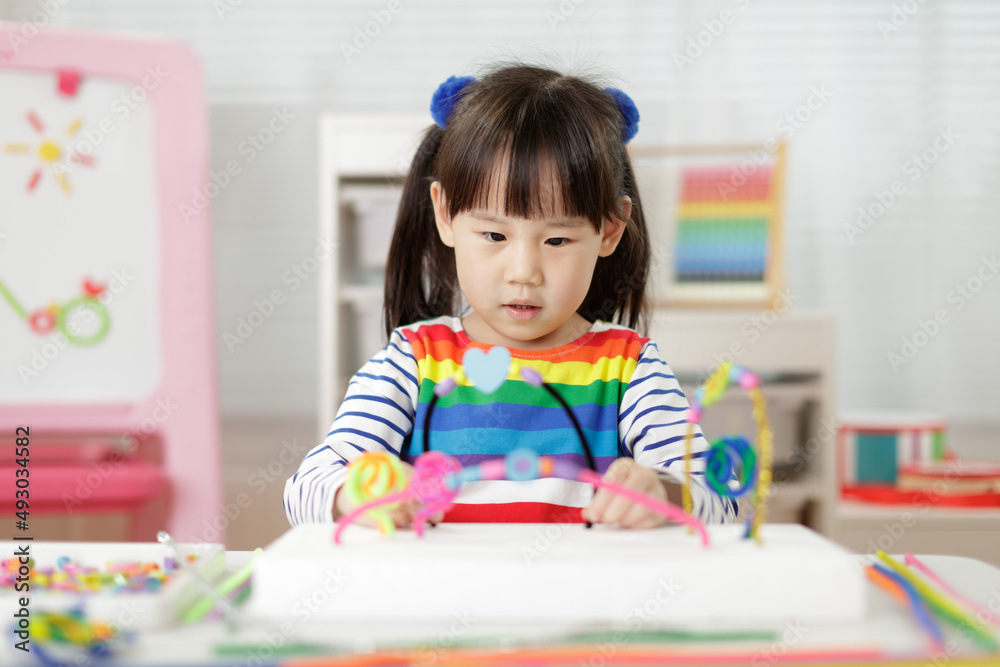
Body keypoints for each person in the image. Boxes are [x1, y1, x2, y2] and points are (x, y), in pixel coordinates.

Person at [284, 63, 736, 530]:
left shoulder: (629, 369)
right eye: (494, 235)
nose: (523, 273)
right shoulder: (413, 361)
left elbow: (720, 497)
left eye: (556, 241)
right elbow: (306, 486)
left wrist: (662, 493)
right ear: (445, 213)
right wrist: (355, 493)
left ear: (610, 229)